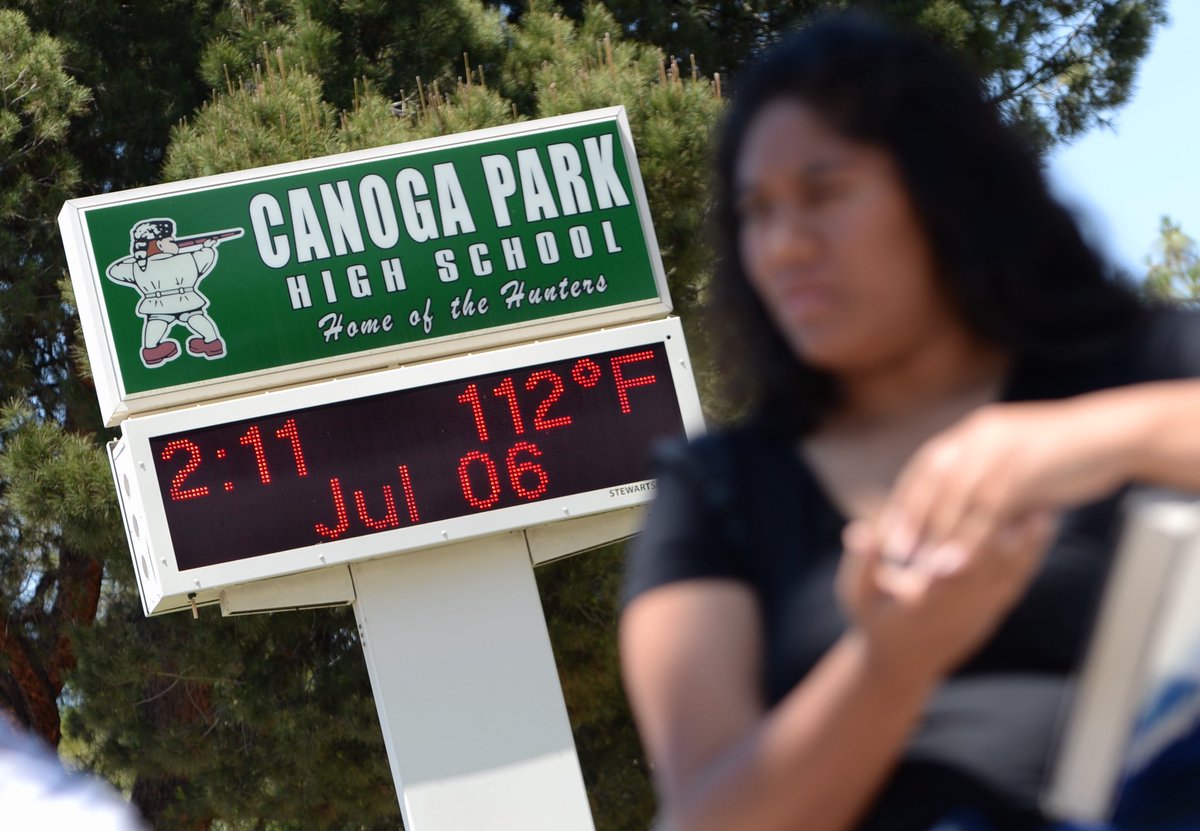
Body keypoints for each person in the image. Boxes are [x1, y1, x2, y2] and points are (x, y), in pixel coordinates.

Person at [618, 14, 1200, 831]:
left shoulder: (1148, 361)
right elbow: (706, 817)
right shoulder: (717, 491)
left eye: (824, 193)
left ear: (943, 191)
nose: (783, 247)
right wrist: (891, 664)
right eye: (757, 212)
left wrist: (1096, 438)